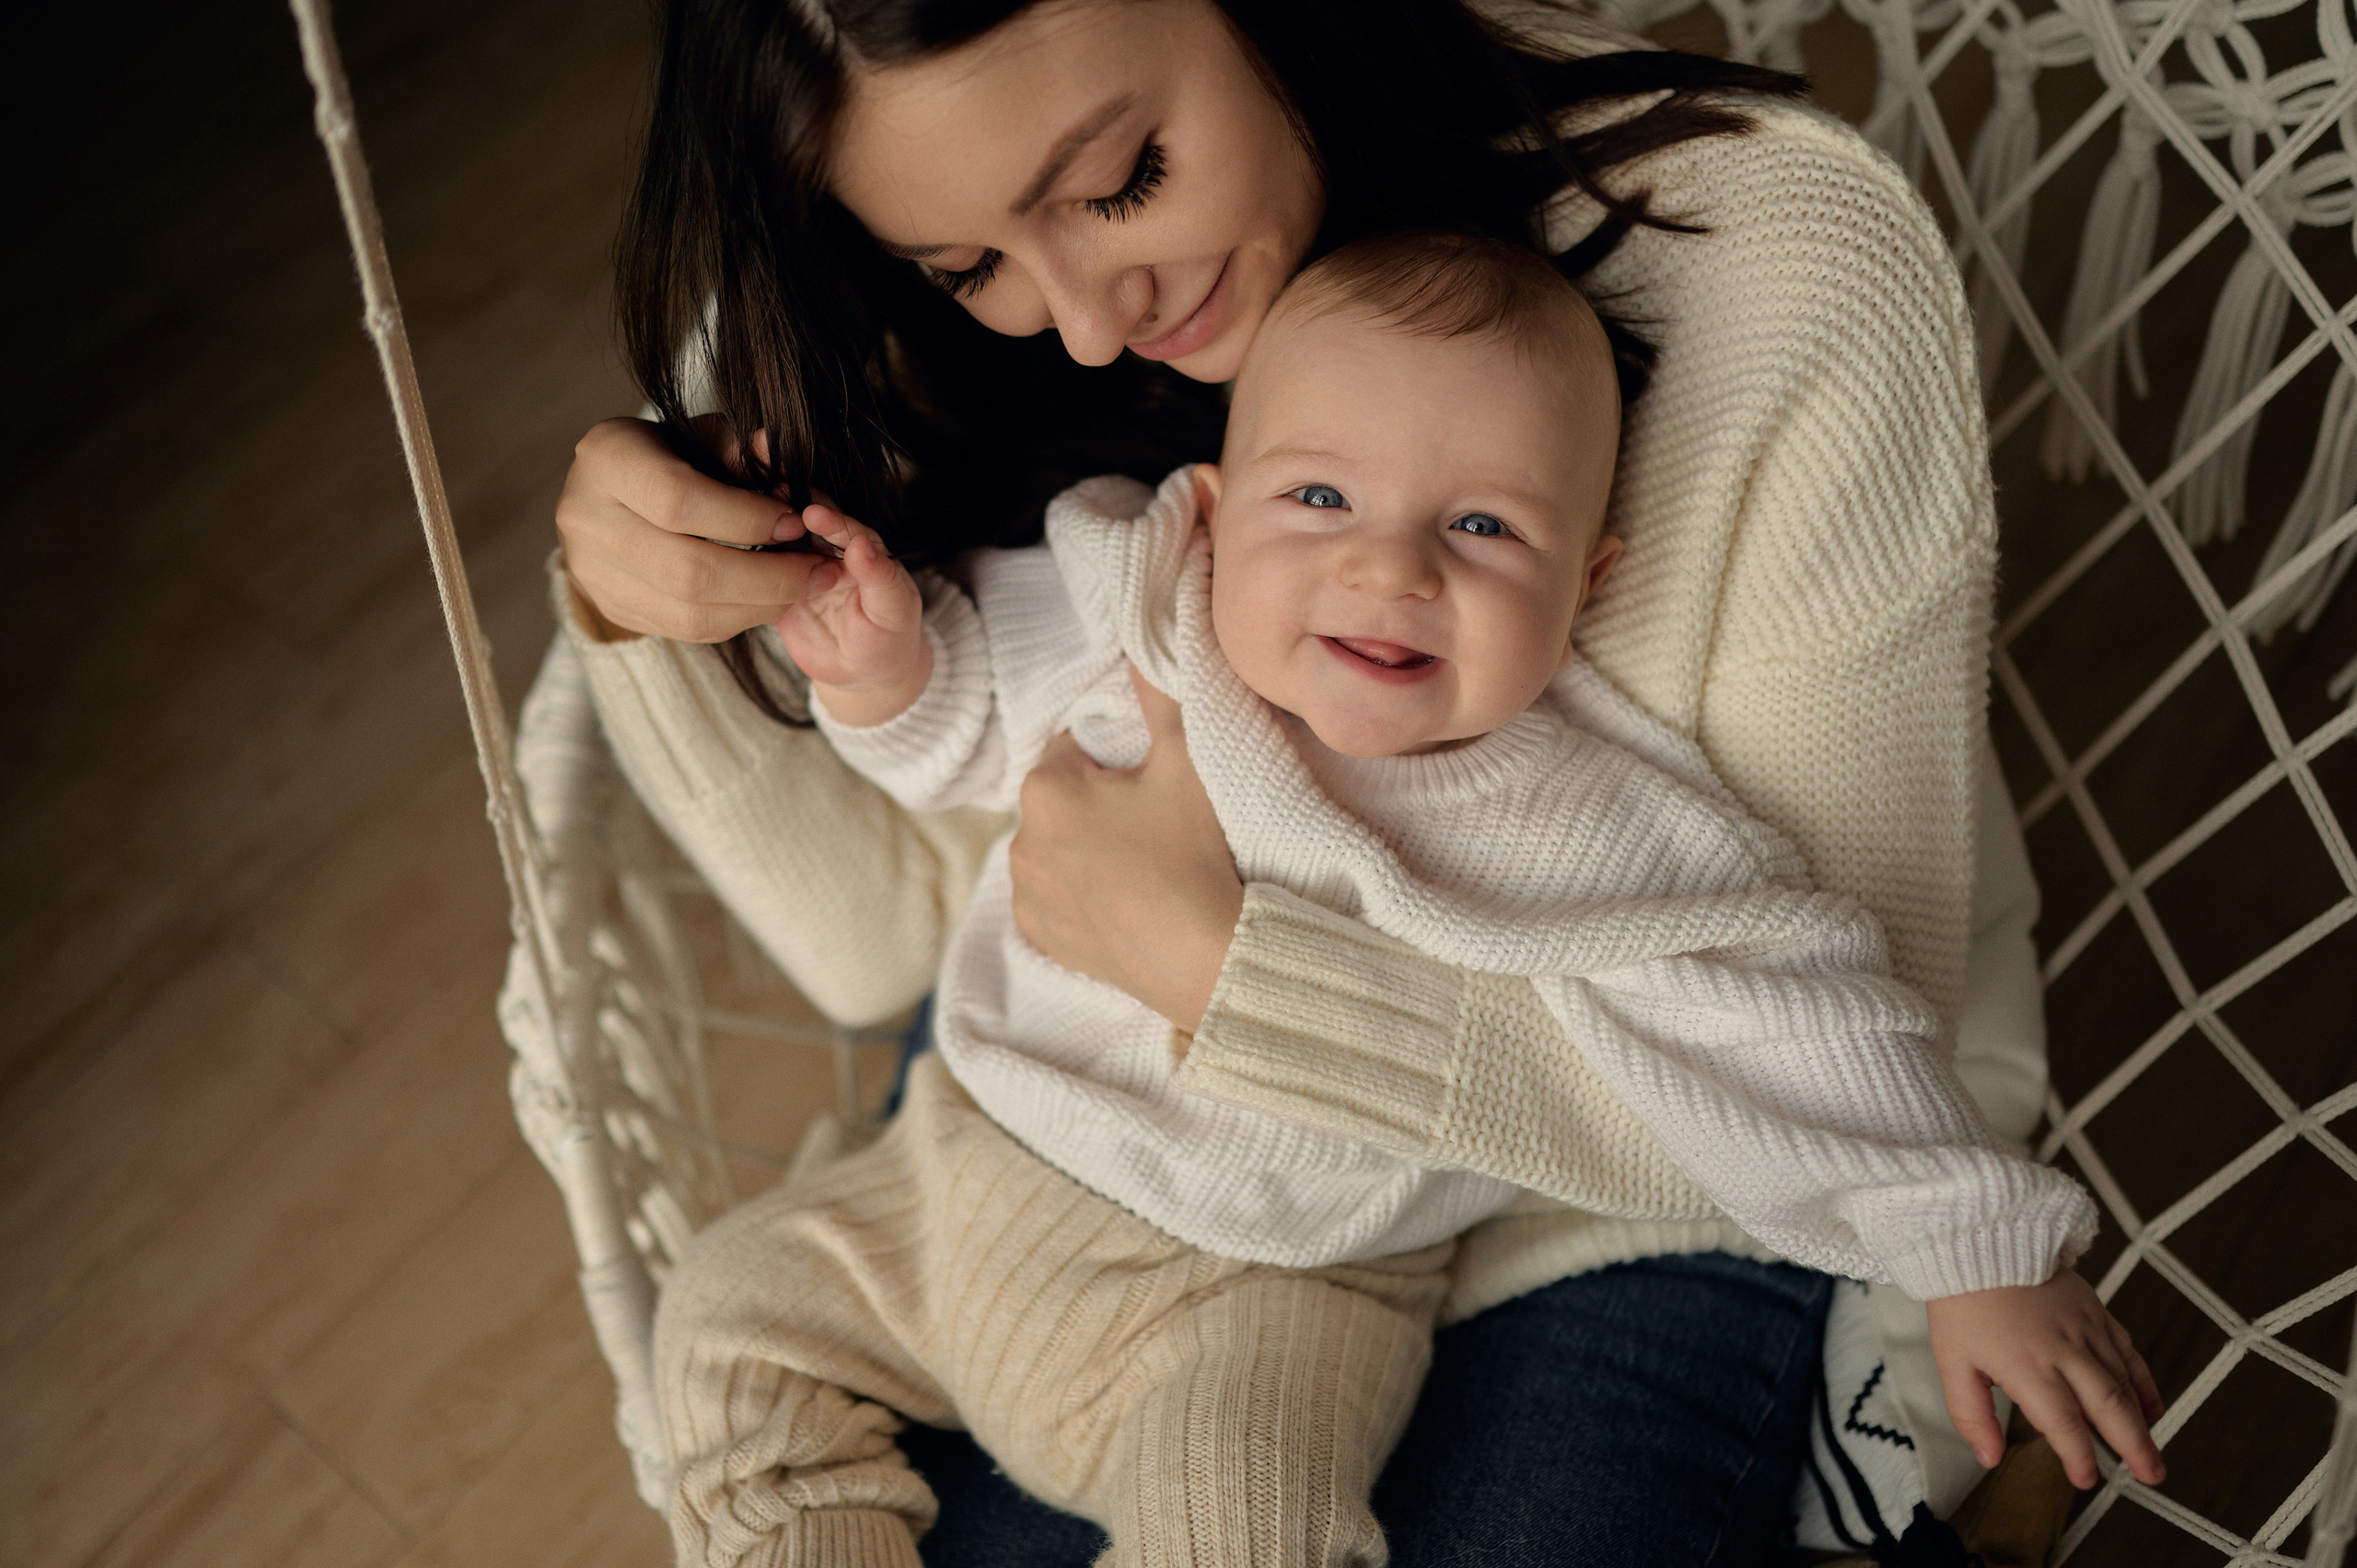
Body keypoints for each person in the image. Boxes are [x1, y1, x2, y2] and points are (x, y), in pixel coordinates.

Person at [550, 0, 2154, 1560]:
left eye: (1122, 182)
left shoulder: (1582, 741)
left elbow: (1791, 1002)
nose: (1093, 324)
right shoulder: (1145, 566)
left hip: (1514, 1227)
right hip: (1012, 1142)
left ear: (1593, 575)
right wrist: (694, 614)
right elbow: (878, 912)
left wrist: (1222, 969)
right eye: (967, 264)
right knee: (738, 1353)